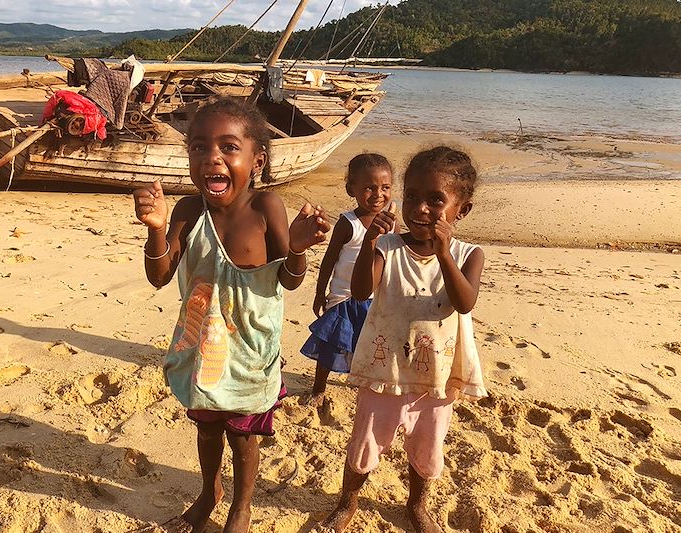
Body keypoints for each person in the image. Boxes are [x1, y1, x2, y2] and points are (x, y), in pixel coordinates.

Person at [133, 96, 330, 532]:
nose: (212, 159)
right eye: (199, 147)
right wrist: (157, 230)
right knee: (206, 428)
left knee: (243, 434)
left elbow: (290, 279)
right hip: (202, 347)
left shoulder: (266, 209)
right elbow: (159, 276)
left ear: (257, 160)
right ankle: (209, 493)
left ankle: (240, 506)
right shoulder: (187, 210)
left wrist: (297, 248)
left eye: (228, 147)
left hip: (249, 349)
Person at [320, 146, 487, 533]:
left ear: (462, 210)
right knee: (365, 443)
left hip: (436, 376)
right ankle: (347, 501)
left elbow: (464, 302)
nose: (421, 208)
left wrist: (444, 254)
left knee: (427, 448)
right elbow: (362, 291)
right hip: (386, 367)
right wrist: (367, 245)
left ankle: (417, 505)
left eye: (436, 200)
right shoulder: (389, 247)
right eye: (412, 196)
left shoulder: (467, 255)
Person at [300, 153, 394, 406]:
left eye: (385, 188)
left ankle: (366, 383)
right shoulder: (348, 223)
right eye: (369, 188)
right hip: (343, 297)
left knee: (370, 344)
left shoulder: (390, 223)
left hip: (374, 299)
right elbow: (329, 260)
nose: (378, 195)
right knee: (331, 343)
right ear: (351, 189)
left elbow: (390, 262)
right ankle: (319, 388)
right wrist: (320, 293)